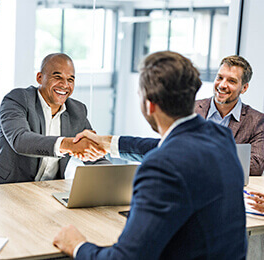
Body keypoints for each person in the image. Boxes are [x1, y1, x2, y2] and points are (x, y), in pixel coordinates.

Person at [53, 51, 247, 259]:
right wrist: (108, 143)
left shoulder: (162, 166)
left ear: (149, 104)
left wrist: (77, 246)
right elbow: (164, 147)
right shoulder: (220, 137)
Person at [0, 53, 108, 185]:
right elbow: (20, 140)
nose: (65, 85)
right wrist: (68, 144)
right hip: (6, 188)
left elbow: (94, 155)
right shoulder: (17, 99)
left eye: (70, 80)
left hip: (47, 191)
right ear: (39, 78)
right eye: (57, 77)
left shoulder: (77, 111)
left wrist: (116, 177)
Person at [195, 55, 263, 176]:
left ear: (244, 88)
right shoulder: (191, 110)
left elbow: (255, 166)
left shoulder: (257, 121)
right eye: (220, 77)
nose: (222, 85)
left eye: (231, 81)